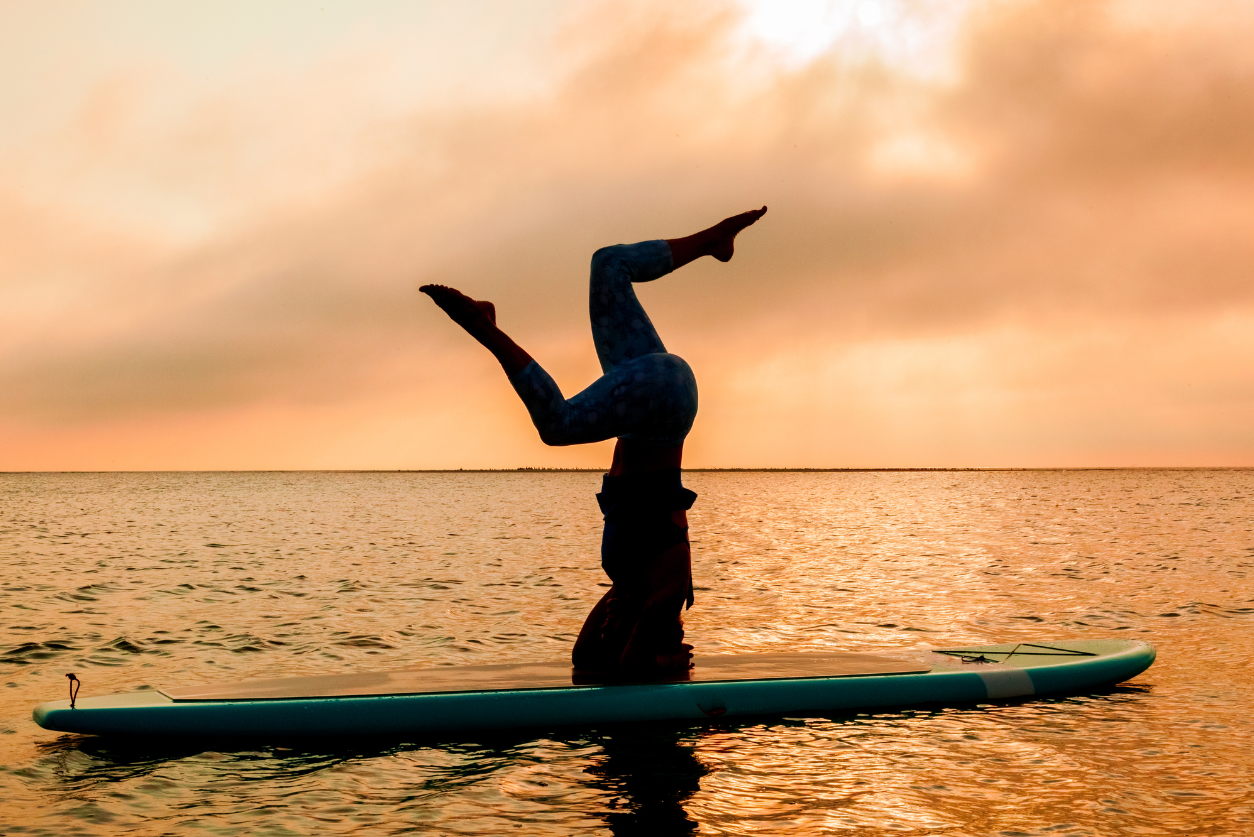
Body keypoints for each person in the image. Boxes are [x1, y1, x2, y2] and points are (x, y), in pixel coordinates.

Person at [421, 206, 767, 673]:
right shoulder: (665, 590)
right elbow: (631, 664)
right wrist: (664, 660)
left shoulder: (627, 584)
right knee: (557, 426)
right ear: (649, 625)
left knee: (608, 265)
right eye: (617, 629)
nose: (605, 625)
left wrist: (618, 637)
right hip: (659, 401)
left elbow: (584, 659)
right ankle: (485, 328)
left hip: (656, 388)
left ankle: (712, 240)